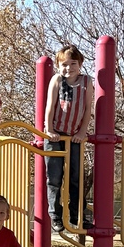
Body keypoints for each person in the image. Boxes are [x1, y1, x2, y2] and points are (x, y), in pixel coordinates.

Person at [44, 44, 94, 232]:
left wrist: (82, 132)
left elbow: (88, 108)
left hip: (74, 136)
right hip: (56, 134)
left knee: (76, 177)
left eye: (73, 64)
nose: (68, 68)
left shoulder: (86, 82)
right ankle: (56, 215)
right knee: (54, 177)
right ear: (58, 65)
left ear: (80, 64)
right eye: (64, 64)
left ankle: (77, 215)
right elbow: (50, 107)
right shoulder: (57, 80)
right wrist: (49, 130)